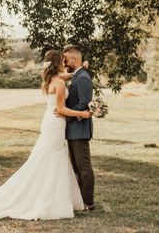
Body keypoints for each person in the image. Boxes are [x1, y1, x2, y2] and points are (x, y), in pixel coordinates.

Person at [0, 49, 91, 220]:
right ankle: (48, 199)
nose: (65, 64)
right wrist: (82, 114)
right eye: (63, 62)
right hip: (55, 123)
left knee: (49, 158)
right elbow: (60, 109)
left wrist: (82, 67)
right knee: (50, 158)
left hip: (50, 123)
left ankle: (51, 196)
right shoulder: (59, 84)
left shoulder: (51, 80)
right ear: (58, 64)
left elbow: (69, 77)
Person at [56, 44, 95, 211]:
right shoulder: (77, 75)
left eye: (66, 59)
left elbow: (83, 105)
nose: (64, 62)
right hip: (72, 130)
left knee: (84, 167)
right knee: (76, 167)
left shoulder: (84, 78)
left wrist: (66, 115)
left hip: (79, 129)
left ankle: (88, 202)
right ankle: (80, 201)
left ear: (75, 59)